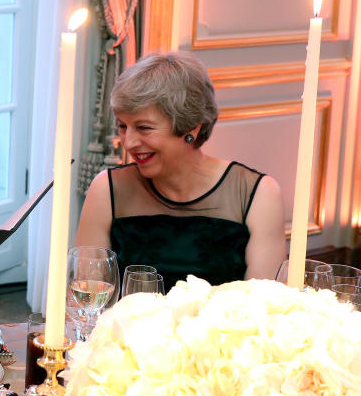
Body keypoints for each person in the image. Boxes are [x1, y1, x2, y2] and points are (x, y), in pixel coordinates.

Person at [75, 51, 286, 290]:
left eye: (144, 128)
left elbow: (264, 305)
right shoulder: (107, 189)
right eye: (123, 126)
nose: (129, 142)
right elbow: (88, 298)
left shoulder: (257, 195)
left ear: (191, 128)